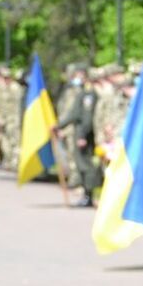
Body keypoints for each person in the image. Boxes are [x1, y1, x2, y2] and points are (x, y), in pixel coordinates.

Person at [55, 64, 99, 205]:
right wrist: (58, 126)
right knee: (82, 165)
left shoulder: (89, 95)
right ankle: (86, 194)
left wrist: (82, 136)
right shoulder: (82, 93)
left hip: (84, 135)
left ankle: (88, 196)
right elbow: (73, 113)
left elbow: (84, 117)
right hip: (80, 133)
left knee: (86, 166)